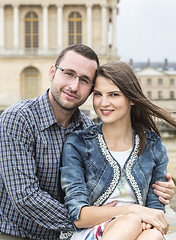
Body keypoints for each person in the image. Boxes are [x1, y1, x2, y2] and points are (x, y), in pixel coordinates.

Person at [0, 44, 175, 240]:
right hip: (19, 234)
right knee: (132, 222)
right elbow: (25, 198)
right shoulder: (19, 118)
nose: (74, 86)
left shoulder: (84, 127)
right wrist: (92, 216)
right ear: (52, 72)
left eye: (84, 80)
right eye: (68, 74)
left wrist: (161, 191)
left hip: (86, 231)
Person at [61, 61, 176, 240]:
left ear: (131, 99)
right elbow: (79, 216)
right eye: (98, 94)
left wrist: (143, 219)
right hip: (90, 231)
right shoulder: (78, 143)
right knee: (130, 222)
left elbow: (155, 211)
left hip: (139, 230)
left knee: (153, 235)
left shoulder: (153, 145)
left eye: (113, 94)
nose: (103, 103)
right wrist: (132, 211)